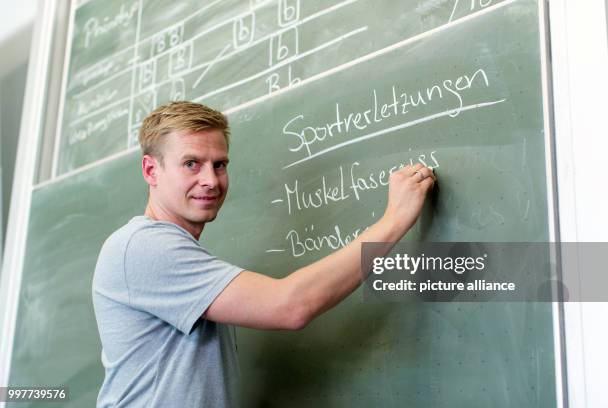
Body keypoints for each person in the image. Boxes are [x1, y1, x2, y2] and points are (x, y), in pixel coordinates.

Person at [92, 101, 436, 407]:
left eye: (220, 164)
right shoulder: (144, 246)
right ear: (151, 171)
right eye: (192, 164)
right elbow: (289, 306)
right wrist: (394, 221)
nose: (211, 180)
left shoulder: (169, 248)